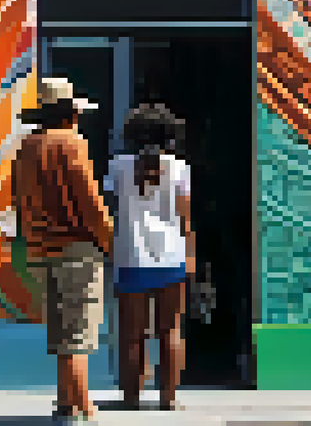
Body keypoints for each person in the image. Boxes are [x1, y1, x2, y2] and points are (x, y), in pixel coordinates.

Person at [15, 77, 115, 422]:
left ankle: (65, 402)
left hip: (41, 250)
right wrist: (110, 240)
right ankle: (85, 408)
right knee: (79, 333)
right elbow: (89, 200)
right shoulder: (73, 143)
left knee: (59, 331)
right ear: (69, 114)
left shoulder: (27, 146)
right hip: (76, 248)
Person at [104, 103, 195, 412]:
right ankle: (168, 401)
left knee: (132, 334)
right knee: (170, 330)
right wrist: (191, 257)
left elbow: (110, 210)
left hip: (130, 256)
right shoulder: (180, 168)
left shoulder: (117, 167)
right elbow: (186, 219)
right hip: (171, 257)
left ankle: (131, 399)